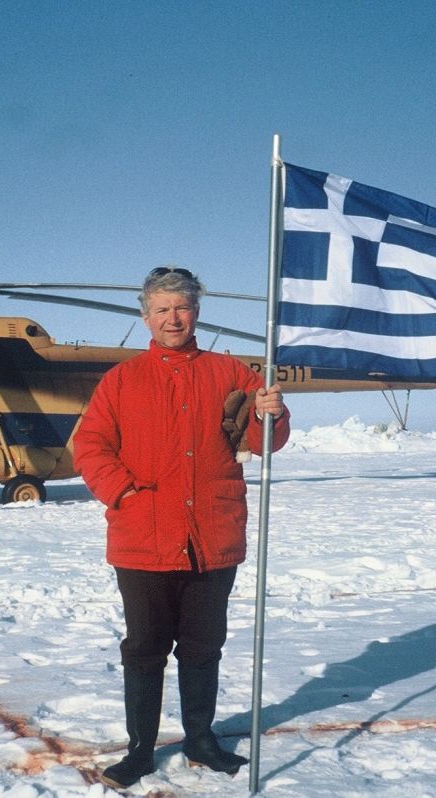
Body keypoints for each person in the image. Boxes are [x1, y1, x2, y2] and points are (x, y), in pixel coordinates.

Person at [72, 266, 290, 789]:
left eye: (183, 307)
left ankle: (200, 740)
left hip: (212, 536)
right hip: (142, 540)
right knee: (145, 648)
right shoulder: (121, 380)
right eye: (162, 309)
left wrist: (272, 414)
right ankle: (140, 750)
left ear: (197, 312)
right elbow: (90, 445)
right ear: (146, 317)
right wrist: (123, 492)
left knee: (202, 646)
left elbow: (265, 444)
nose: (174, 318)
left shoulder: (231, 372)